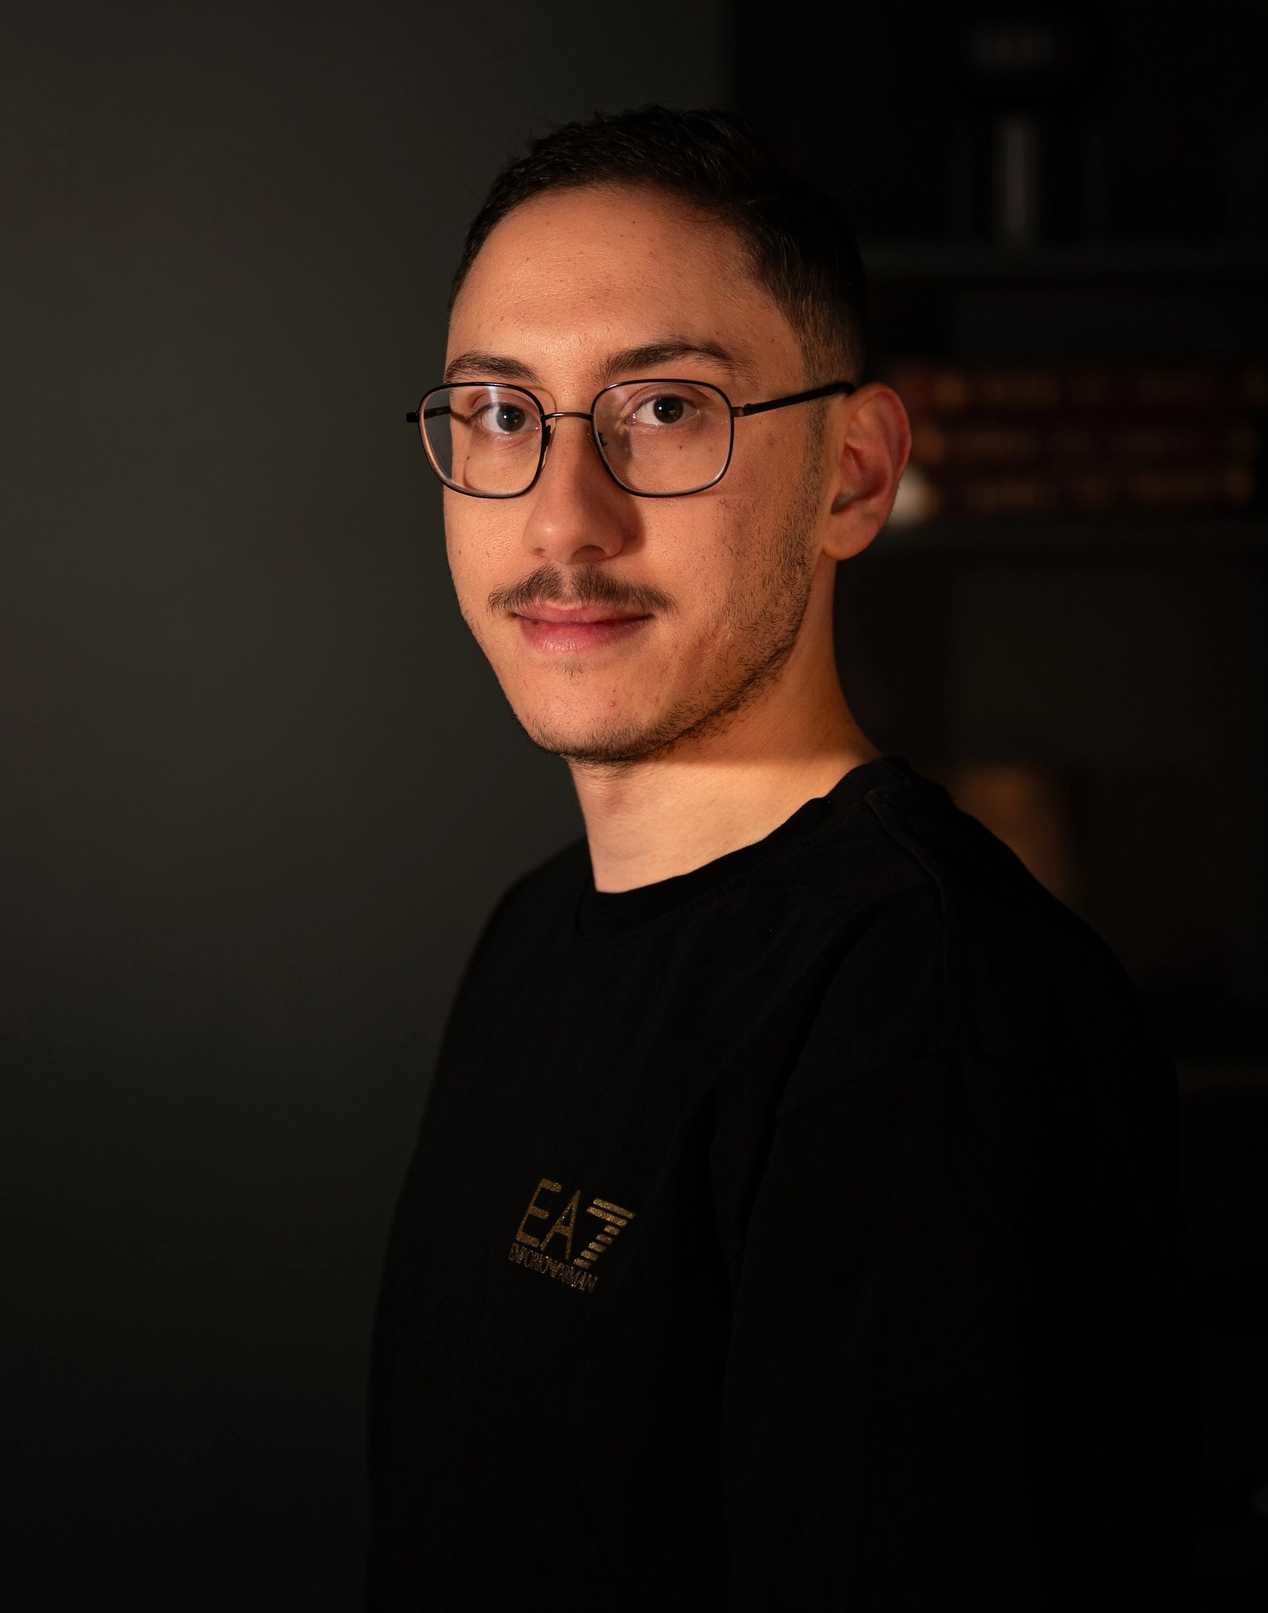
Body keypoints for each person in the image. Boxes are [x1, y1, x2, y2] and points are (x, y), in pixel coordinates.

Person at [366, 108, 1194, 1610]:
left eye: (665, 410)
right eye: (500, 413)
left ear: (852, 477)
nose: (564, 516)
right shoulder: (536, 930)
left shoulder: (934, 1021)